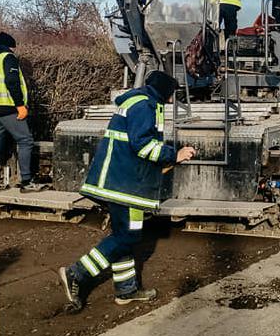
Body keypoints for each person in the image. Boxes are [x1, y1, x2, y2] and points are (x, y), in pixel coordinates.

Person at [59, 71, 196, 312]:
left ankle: (126, 290)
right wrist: (174, 155)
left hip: (120, 182)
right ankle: (77, 273)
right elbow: (142, 144)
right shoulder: (145, 106)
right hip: (126, 186)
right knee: (127, 237)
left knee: (123, 237)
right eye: (172, 94)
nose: (173, 99)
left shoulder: (137, 101)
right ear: (165, 91)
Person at [0, 31, 44, 193]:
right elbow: (12, 81)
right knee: (25, 140)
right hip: (8, 107)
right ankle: (26, 182)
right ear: (8, 46)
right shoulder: (8, 57)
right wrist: (20, 105)